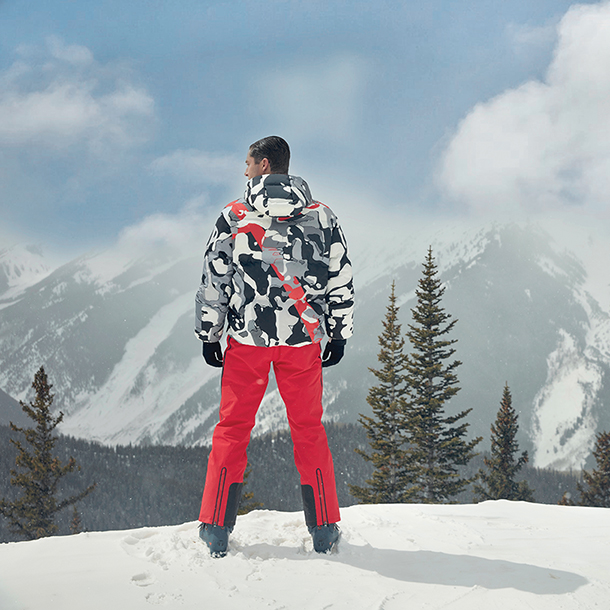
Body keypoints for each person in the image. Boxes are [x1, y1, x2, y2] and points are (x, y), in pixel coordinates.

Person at [195, 136, 354, 557]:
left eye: (247, 163)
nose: (244, 170)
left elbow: (215, 278)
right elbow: (339, 275)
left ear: (264, 165)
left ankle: (214, 527)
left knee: (232, 430)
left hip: (248, 341)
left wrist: (209, 332)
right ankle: (323, 528)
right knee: (309, 432)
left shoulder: (233, 216)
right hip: (302, 341)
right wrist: (338, 332)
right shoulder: (322, 217)